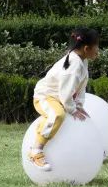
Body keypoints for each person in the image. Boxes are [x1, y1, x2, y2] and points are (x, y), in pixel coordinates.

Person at [28, 28, 100, 171]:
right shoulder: (74, 65)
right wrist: (72, 109)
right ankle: (36, 150)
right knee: (57, 115)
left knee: (85, 118)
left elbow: (80, 87)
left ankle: (95, 151)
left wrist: (79, 106)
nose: (98, 50)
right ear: (86, 48)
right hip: (45, 97)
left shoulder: (82, 60)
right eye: (97, 46)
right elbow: (66, 94)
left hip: (59, 97)